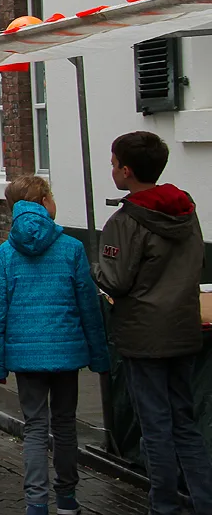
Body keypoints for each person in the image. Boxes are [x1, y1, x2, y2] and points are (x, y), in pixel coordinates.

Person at [93, 131, 212, 514]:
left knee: (156, 426)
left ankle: (163, 506)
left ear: (126, 171)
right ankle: (204, 500)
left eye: (113, 163)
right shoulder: (186, 212)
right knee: (185, 421)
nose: (111, 169)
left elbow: (115, 280)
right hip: (183, 328)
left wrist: (93, 267)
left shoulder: (125, 221)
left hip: (144, 336)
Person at [0, 176, 109, 515]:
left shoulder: (5, 252)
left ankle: (36, 504)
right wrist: (100, 356)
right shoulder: (71, 247)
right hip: (66, 354)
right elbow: (88, 306)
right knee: (65, 425)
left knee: (36, 428)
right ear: (43, 201)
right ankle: (67, 500)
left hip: (26, 359)